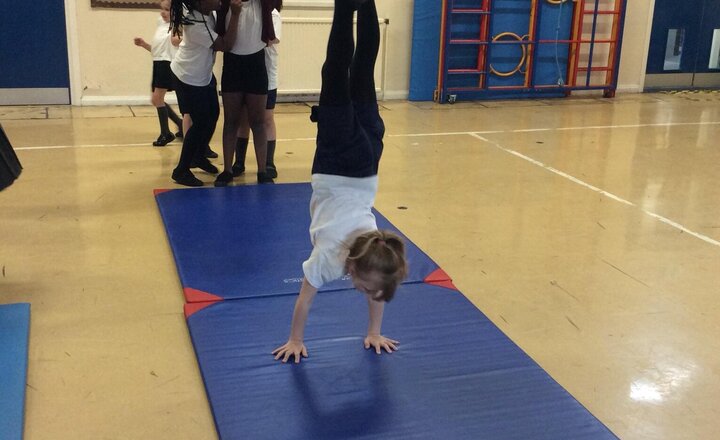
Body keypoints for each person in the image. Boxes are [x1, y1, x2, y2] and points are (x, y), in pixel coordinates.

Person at [272, 0, 408, 364]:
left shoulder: (377, 243)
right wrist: (295, 340)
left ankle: (364, 5)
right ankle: (345, 6)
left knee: (363, 69)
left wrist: (375, 331)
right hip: (337, 158)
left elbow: (376, 289)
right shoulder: (330, 259)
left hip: (368, 160)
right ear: (353, 268)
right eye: (363, 286)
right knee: (336, 70)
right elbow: (304, 300)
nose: (364, 291)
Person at [168, 0, 242, 187]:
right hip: (189, 77)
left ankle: (199, 155)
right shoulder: (196, 25)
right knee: (200, 122)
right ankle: (182, 169)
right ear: (200, 3)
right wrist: (235, 14)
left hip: (203, 75)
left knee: (213, 115)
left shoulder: (208, 13)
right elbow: (225, 45)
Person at [213, 0, 277, 186]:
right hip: (233, 64)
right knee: (231, 120)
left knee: (258, 121)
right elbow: (227, 42)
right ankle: (227, 169)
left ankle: (262, 170)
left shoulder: (263, 4)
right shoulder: (227, 6)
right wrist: (235, 12)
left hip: (256, 64)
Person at [232, 0, 282, 179]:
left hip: (267, 77)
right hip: (247, 74)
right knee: (243, 118)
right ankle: (239, 161)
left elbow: (270, 39)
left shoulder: (272, 14)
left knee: (266, 119)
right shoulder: (244, 10)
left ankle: (268, 162)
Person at [133, 0, 184, 146]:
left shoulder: (178, 26)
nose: (163, 13)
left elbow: (175, 46)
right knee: (156, 99)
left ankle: (166, 133)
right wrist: (144, 44)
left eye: (167, 10)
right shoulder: (161, 24)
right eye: (162, 9)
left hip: (167, 64)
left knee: (157, 98)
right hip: (158, 63)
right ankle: (179, 124)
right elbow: (157, 50)